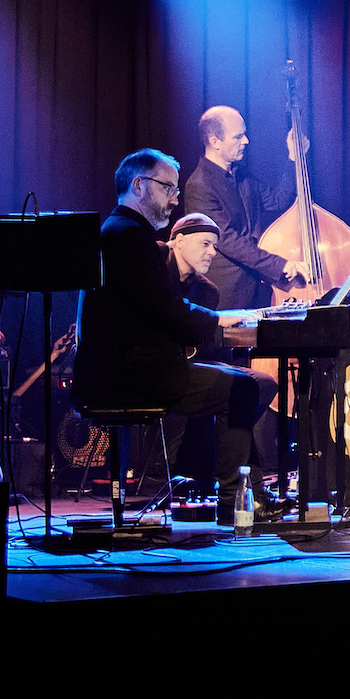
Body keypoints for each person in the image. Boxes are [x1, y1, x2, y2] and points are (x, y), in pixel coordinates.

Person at [73, 149, 267, 503]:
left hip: (125, 369)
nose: (175, 199)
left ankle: (246, 492)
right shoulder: (129, 236)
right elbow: (163, 308)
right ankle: (234, 500)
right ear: (138, 186)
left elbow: (154, 307)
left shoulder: (119, 231)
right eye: (168, 189)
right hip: (130, 375)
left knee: (250, 385)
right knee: (243, 389)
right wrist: (219, 319)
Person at [183, 106, 307, 308]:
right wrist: (281, 264)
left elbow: (277, 201)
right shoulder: (199, 186)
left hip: (256, 289)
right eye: (238, 137)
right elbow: (228, 240)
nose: (246, 141)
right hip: (226, 295)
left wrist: (294, 157)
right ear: (215, 142)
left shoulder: (242, 175)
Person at [168, 212, 223, 310]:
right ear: (181, 241)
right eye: (205, 244)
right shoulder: (150, 265)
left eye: (214, 247)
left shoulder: (208, 292)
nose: (213, 252)